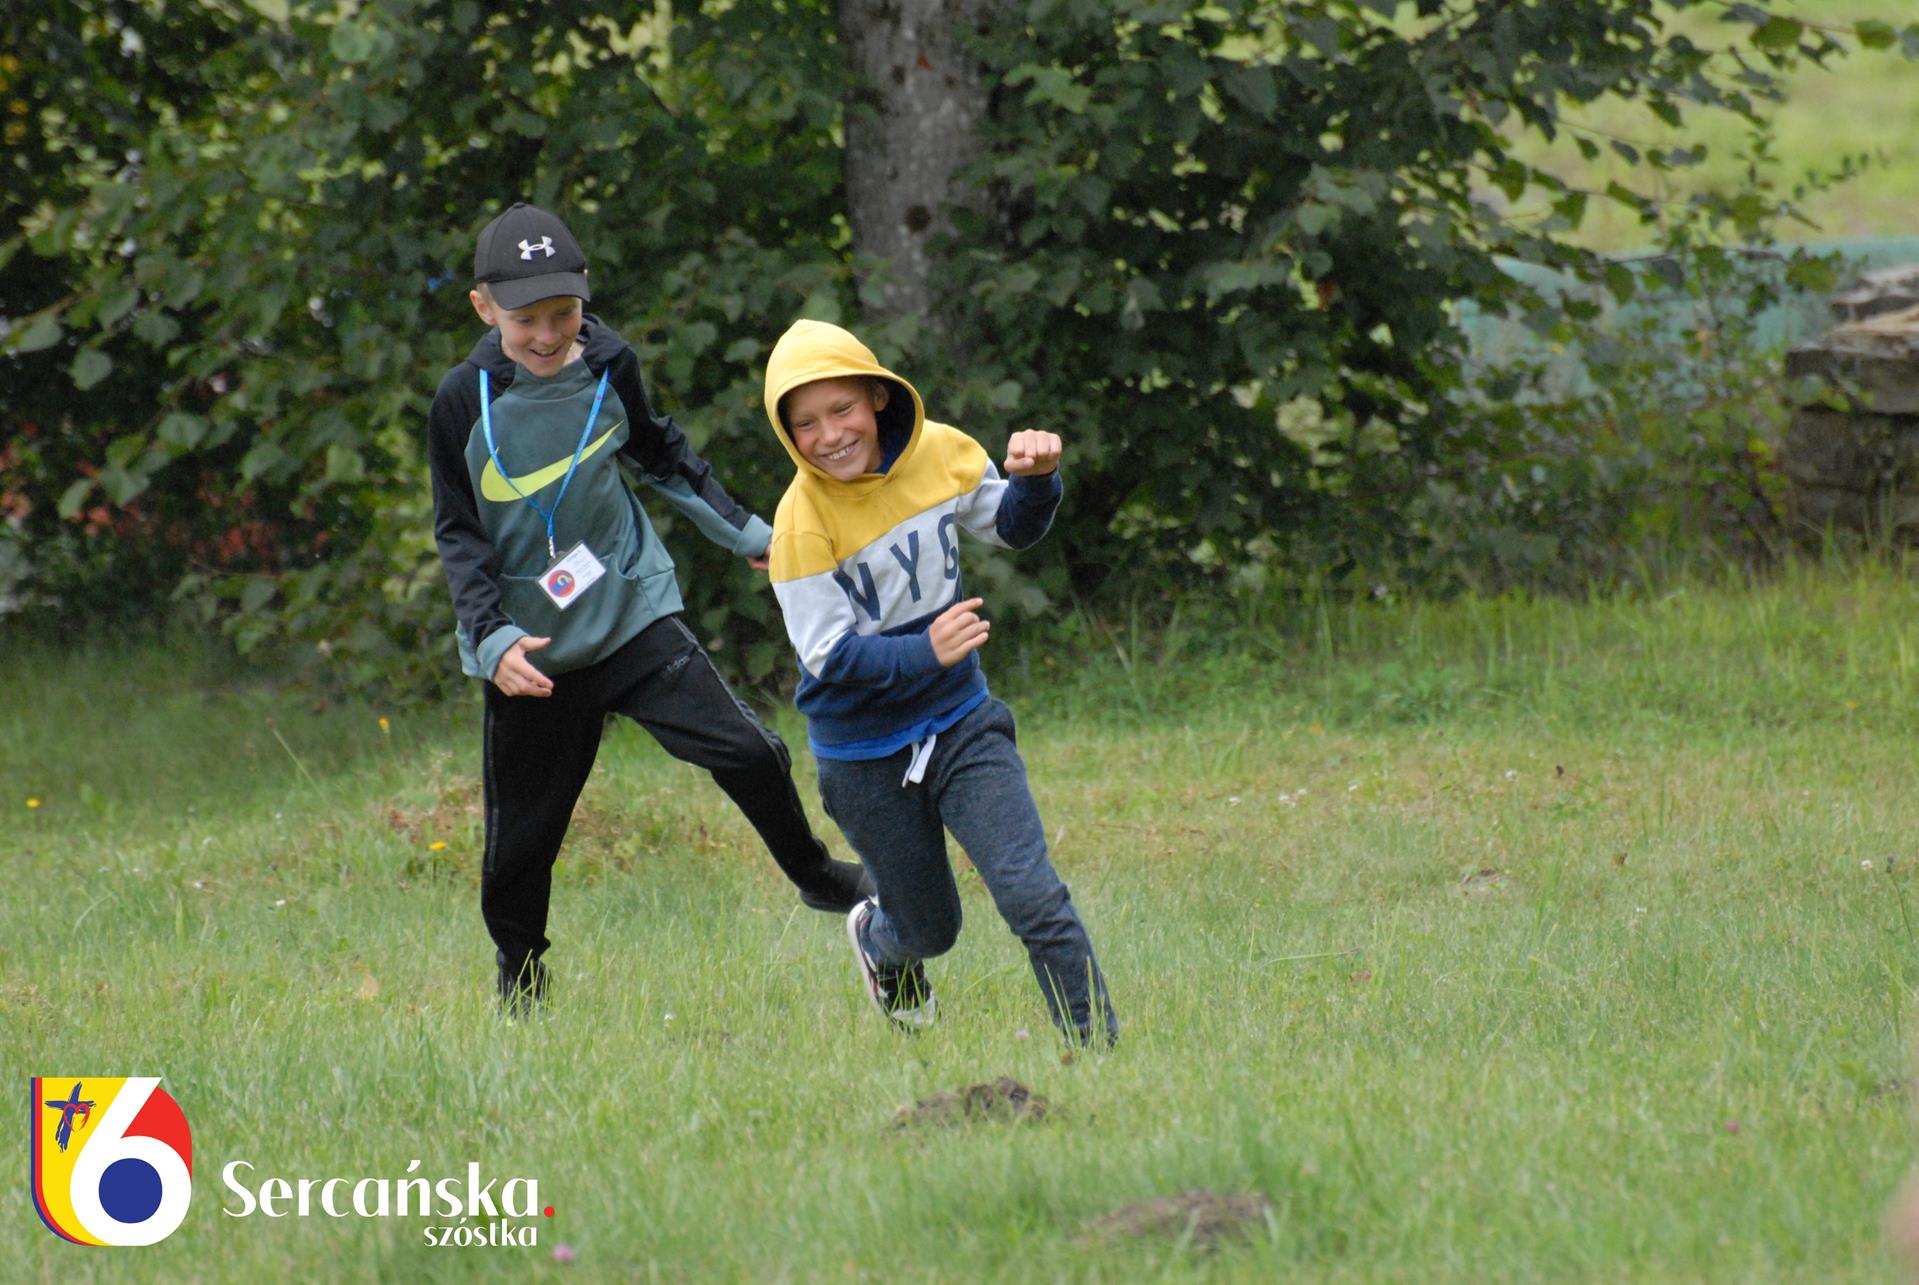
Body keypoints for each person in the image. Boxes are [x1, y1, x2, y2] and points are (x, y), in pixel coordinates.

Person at [425, 204, 871, 1015]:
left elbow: (661, 455)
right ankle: (520, 976)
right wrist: (491, 639)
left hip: (629, 609)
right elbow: (458, 533)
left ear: (584, 292)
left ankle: (814, 874)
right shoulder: (462, 401)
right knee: (520, 844)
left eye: (563, 312)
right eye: (526, 319)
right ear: (484, 308)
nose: (548, 334)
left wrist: (751, 534)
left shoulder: (608, 361)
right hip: (531, 653)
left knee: (748, 749)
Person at [761, 318, 1118, 1046]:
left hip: (961, 721)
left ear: (877, 397)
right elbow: (830, 658)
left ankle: (1096, 1049)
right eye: (805, 424)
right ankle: (879, 940)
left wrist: (1036, 480)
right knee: (930, 930)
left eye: (841, 409)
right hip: (863, 755)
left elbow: (1011, 528)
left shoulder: (942, 449)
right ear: (786, 434)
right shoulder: (799, 523)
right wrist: (925, 649)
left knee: (1032, 895)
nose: (829, 435)